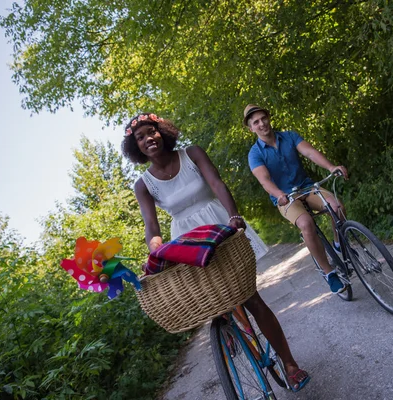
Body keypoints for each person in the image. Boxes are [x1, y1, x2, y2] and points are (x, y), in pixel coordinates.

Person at [121, 112, 310, 391]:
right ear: (135, 147)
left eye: (152, 131)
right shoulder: (143, 185)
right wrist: (156, 251)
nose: (148, 138)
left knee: (251, 298)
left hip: (219, 226)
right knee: (213, 299)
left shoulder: (191, 153)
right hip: (187, 240)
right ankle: (229, 328)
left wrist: (234, 216)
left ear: (163, 132)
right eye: (140, 137)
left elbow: (217, 184)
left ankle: (290, 364)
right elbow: (152, 226)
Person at [245, 104, 349, 294]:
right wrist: (279, 195)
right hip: (285, 198)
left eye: (263, 118)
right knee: (306, 223)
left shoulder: (289, 136)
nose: (262, 123)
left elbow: (310, 152)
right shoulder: (255, 154)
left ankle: (338, 243)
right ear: (251, 128)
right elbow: (264, 179)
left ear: (269, 118)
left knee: (337, 206)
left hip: (307, 187)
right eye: (256, 122)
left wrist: (331, 167)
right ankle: (329, 273)